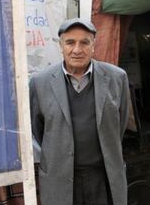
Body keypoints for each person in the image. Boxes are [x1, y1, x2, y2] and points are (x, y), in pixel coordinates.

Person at [29, 18, 130, 205]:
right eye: (70, 42)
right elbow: (39, 130)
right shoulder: (40, 83)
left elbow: (119, 125)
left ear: (93, 45)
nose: (77, 49)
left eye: (84, 42)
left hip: (104, 177)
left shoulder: (117, 77)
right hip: (60, 178)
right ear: (61, 46)